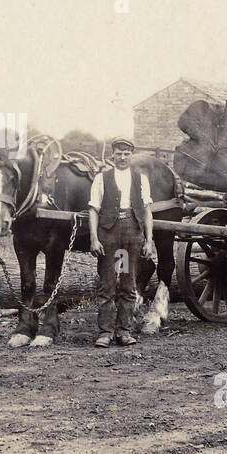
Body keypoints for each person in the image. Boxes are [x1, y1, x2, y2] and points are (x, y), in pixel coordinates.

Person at [88, 137, 155, 347]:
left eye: (126, 153)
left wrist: (148, 240)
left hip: (131, 236)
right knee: (107, 284)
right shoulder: (102, 178)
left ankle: (124, 331)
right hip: (109, 234)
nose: (123, 157)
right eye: (119, 153)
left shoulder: (140, 179)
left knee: (128, 283)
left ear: (131, 155)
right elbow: (93, 210)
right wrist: (94, 238)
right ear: (113, 155)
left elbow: (146, 211)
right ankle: (105, 333)